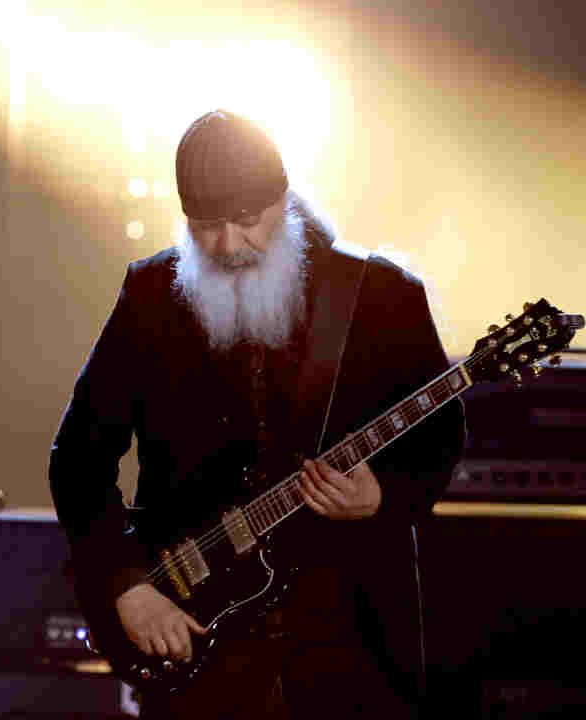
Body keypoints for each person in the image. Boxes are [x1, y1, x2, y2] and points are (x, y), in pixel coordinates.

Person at [49, 109, 465, 719]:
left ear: (282, 201)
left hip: (349, 642)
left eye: (246, 220)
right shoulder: (150, 295)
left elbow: (440, 436)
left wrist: (383, 495)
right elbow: (78, 460)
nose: (226, 245)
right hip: (197, 641)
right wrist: (126, 585)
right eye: (204, 226)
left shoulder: (381, 294)